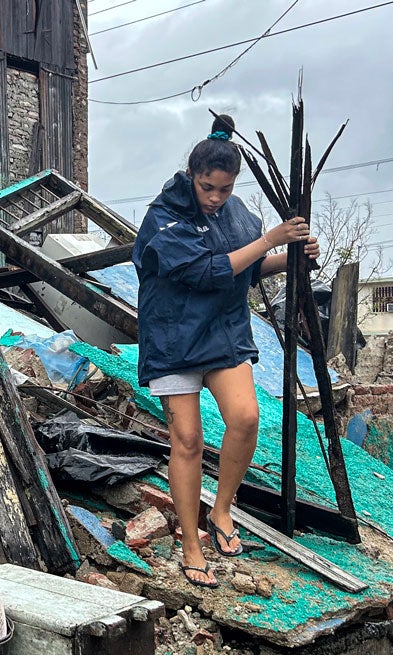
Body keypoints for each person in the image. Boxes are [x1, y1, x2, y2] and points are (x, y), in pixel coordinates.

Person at [131, 114, 320, 589]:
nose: (215, 197)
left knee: (246, 417)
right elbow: (211, 271)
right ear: (192, 176)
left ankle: (221, 510)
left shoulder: (238, 217)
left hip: (221, 334)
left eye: (225, 189)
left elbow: (248, 271)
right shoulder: (164, 217)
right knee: (188, 441)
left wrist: (293, 254)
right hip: (174, 340)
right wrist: (269, 239)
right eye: (207, 187)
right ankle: (191, 545)